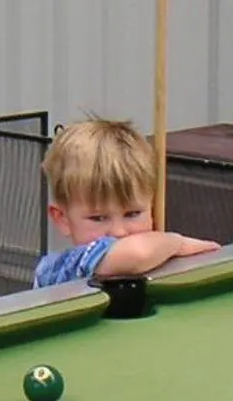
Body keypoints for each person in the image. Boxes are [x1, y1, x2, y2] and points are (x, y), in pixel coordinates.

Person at [33, 118, 218, 287]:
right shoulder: (59, 268)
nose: (119, 231)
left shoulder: (158, 256)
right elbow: (136, 253)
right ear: (63, 220)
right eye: (98, 218)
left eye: (132, 214)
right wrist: (177, 244)